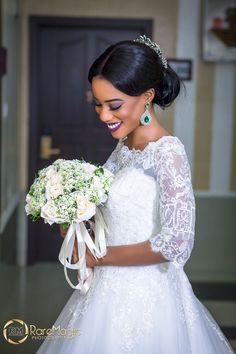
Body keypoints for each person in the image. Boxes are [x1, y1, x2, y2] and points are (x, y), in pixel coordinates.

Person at [36, 36, 235, 354]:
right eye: (98, 104)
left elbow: (176, 242)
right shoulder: (124, 147)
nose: (103, 115)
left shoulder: (168, 152)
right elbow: (112, 213)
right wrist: (74, 220)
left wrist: (98, 258)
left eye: (114, 105)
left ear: (147, 96)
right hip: (104, 288)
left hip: (148, 295)